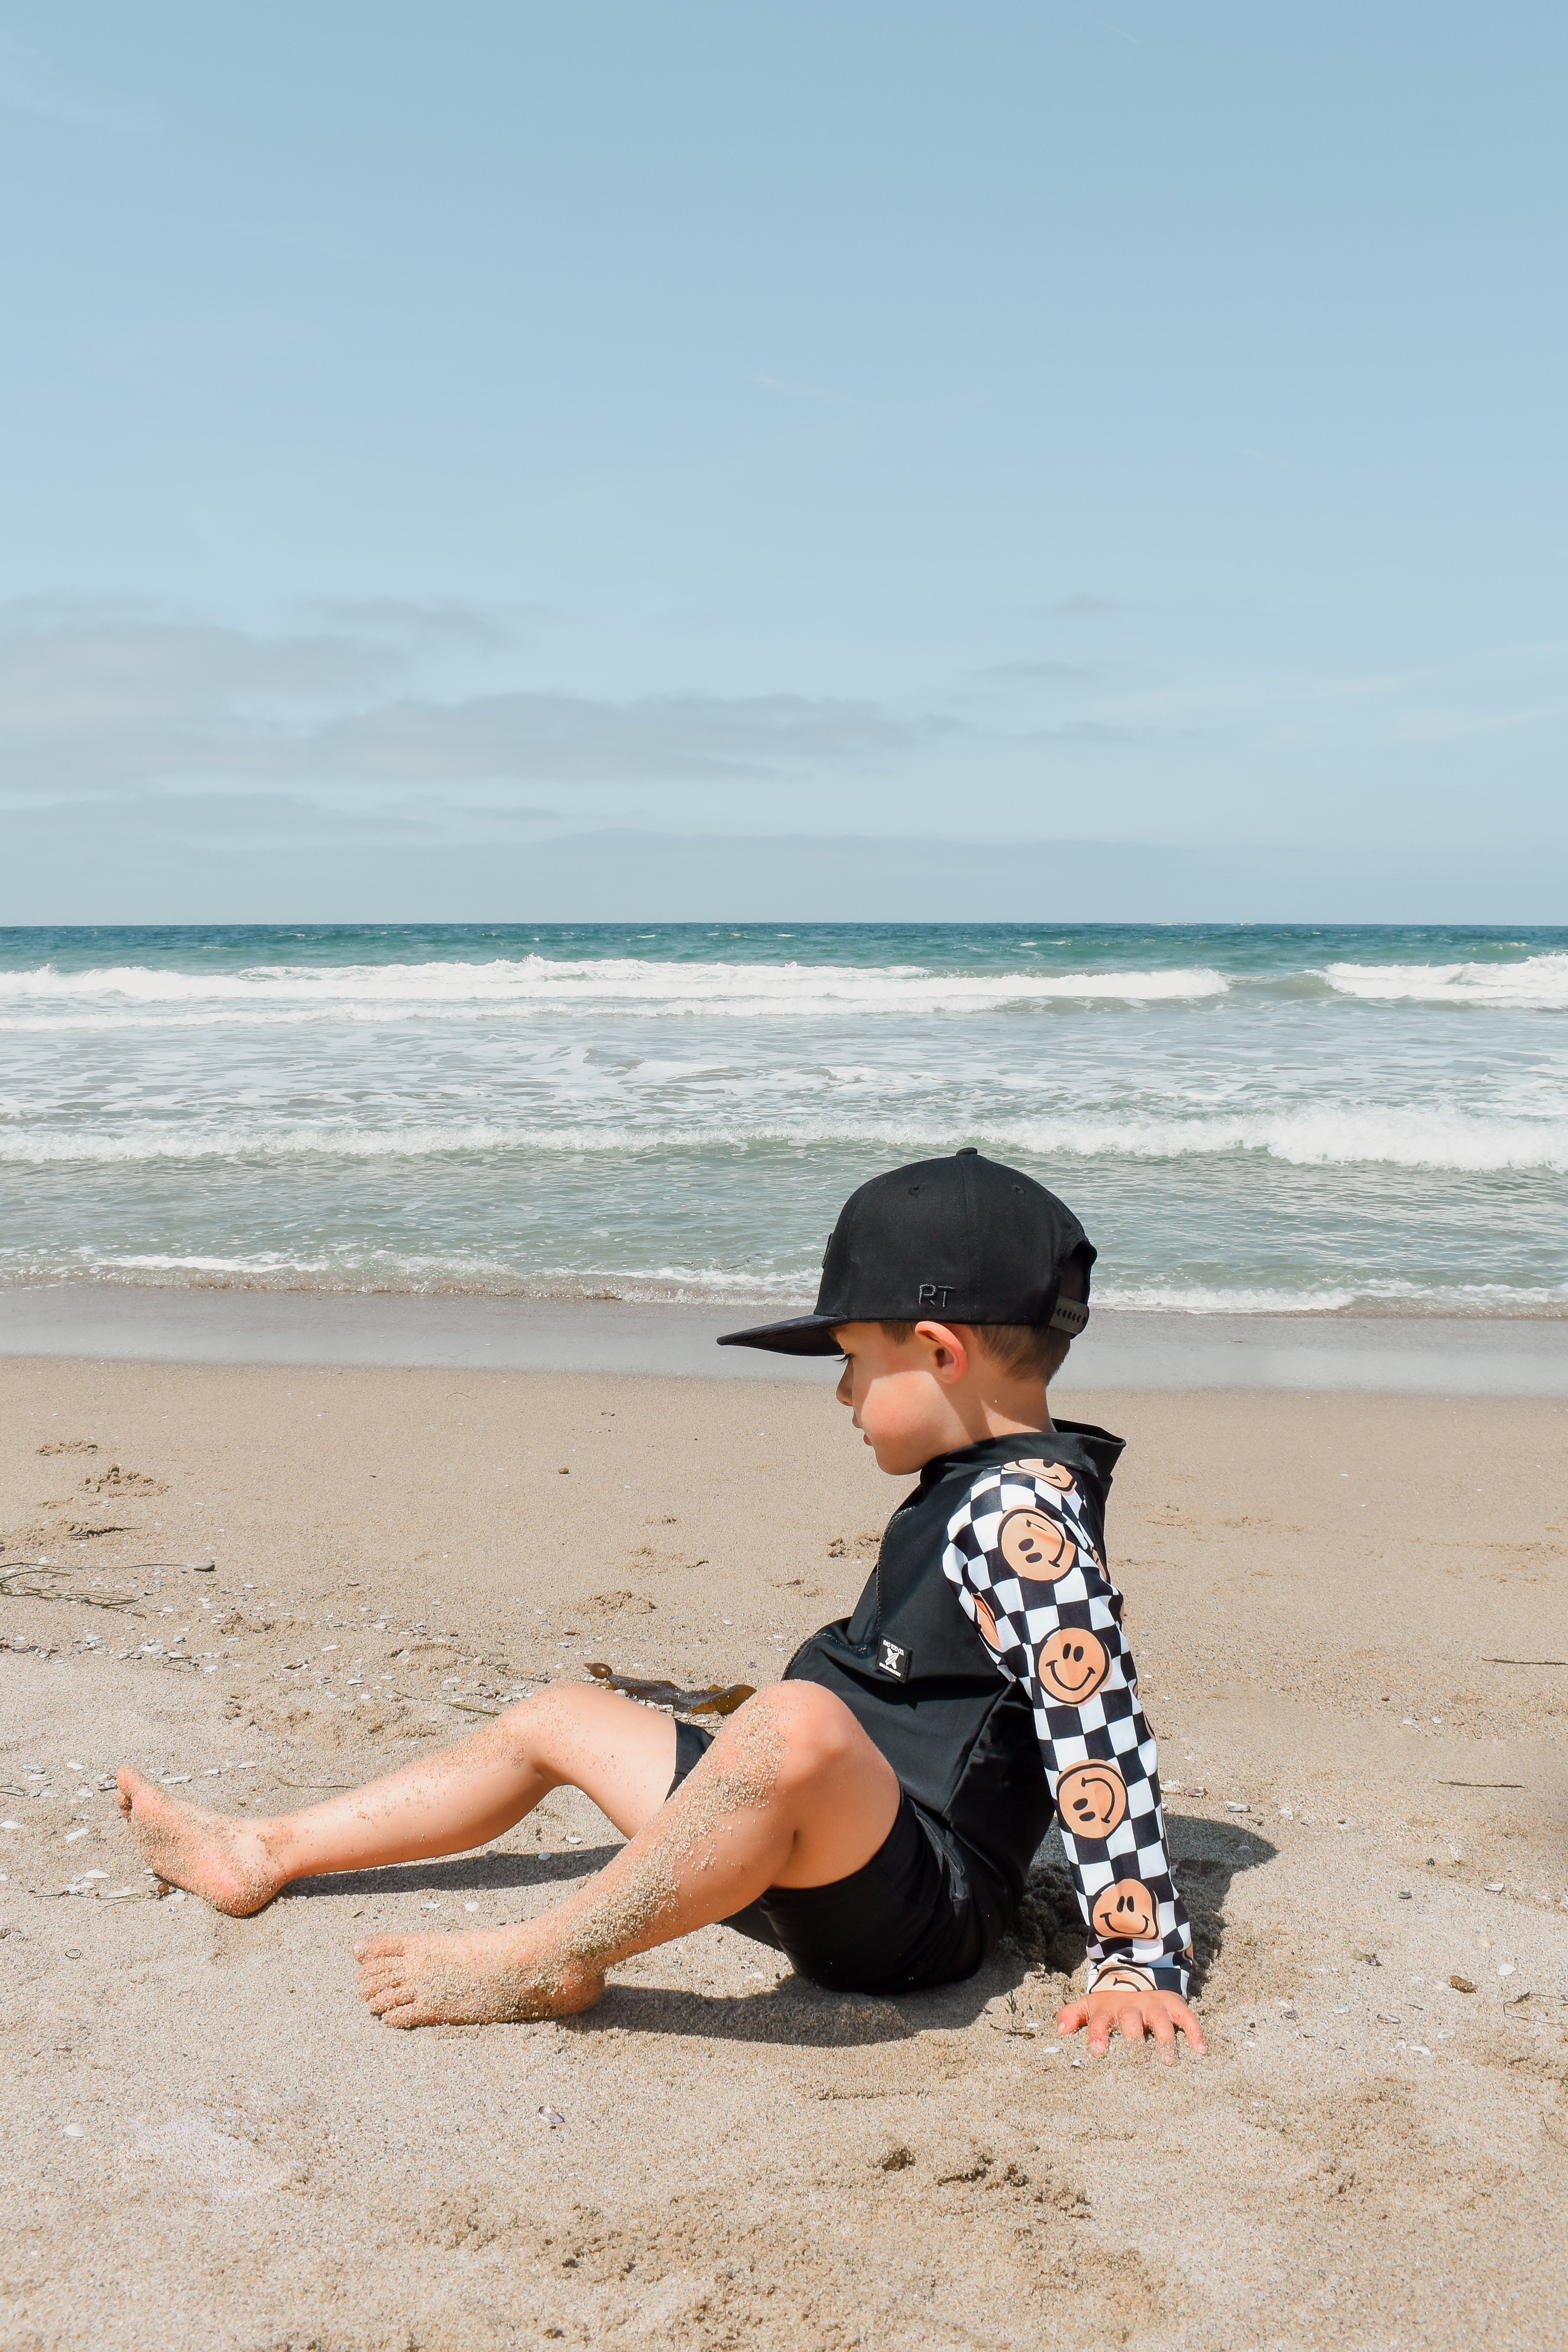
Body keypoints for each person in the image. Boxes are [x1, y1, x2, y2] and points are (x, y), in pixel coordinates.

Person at [116, 1149, 1204, 2062]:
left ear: (938, 1349)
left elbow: (1094, 1720)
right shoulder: (974, 1482)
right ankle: (264, 1851)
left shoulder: (1025, 1515)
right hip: (815, 1850)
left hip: (915, 1915)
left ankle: (553, 1951)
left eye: (850, 1362)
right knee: (557, 1716)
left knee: (792, 1719)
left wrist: (1135, 1956)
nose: (839, 1395)